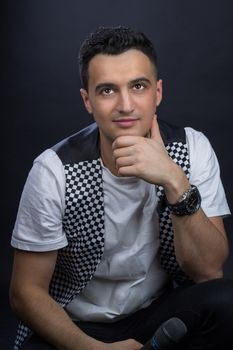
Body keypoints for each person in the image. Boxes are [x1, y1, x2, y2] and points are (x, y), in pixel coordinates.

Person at [10, 26, 233, 350]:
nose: (125, 105)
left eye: (138, 86)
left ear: (157, 92)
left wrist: (173, 178)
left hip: (155, 313)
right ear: (88, 100)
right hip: (75, 324)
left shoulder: (192, 148)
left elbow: (208, 270)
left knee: (226, 301)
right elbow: (24, 293)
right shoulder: (53, 171)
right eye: (107, 90)